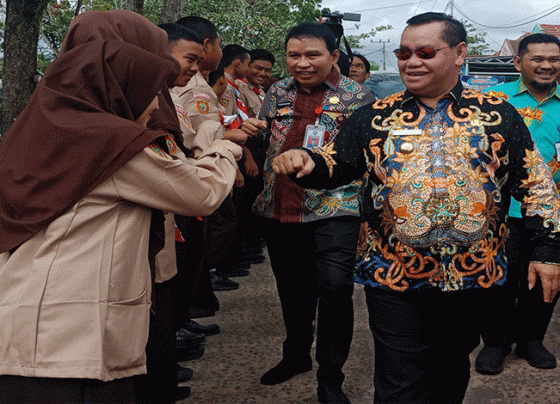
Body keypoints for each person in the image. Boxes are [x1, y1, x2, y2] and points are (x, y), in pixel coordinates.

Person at [271, 12, 560, 404]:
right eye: (403, 52)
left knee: (452, 367)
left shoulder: (498, 115)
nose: (412, 61)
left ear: (460, 53)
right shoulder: (375, 116)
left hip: (472, 274)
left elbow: (537, 185)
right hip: (394, 275)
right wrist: (307, 163)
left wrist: (547, 251)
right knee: (399, 380)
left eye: (425, 52)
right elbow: (336, 162)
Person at [0, 10, 241, 403]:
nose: (157, 103)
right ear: (123, 78)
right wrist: (222, 148)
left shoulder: (41, 124)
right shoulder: (111, 143)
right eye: (151, 86)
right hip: (71, 348)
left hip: (24, 328)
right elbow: (200, 193)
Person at [253, 22, 376, 404]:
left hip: (336, 209)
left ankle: (330, 377)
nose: (301, 63)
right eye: (294, 55)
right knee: (292, 291)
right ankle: (295, 356)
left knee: (335, 289)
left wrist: (368, 219)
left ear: (334, 56)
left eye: (312, 55)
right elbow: (264, 141)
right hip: (279, 208)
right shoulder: (276, 91)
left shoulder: (359, 97)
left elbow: (370, 160)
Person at [475, 33, 560, 375]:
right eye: (537, 58)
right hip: (500, 210)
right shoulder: (492, 100)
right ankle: (496, 342)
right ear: (518, 62)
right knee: (499, 279)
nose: (546, 65)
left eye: (553, 59)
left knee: (545, 280)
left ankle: (531, 340)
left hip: (552, 213)